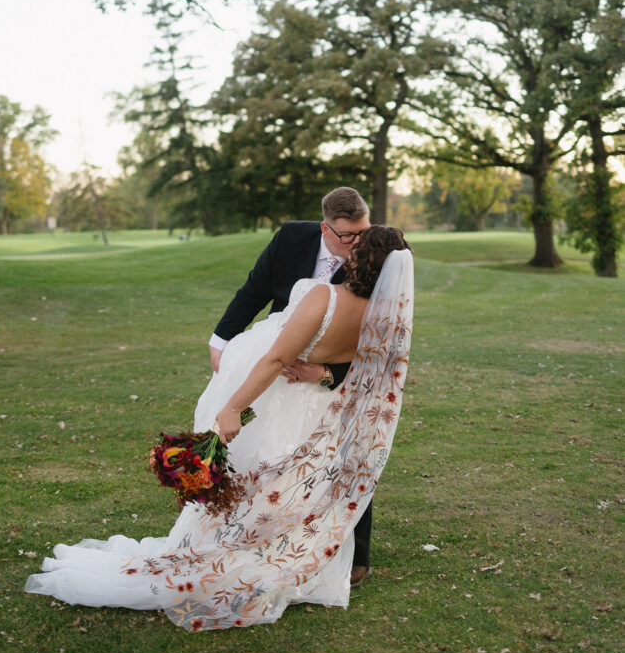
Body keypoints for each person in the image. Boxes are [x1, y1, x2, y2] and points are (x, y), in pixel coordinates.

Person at [25, 226, 414, 631]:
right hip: (315, 409)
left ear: (358, 258)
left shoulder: (325, 296)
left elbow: (274, 360)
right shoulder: (384, 317)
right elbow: (369, 372)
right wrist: (323, 373)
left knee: (251, 475)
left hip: (271, 398)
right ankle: (267, 553)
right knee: (280, 483)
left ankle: (228, 555)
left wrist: (232, 408)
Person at [208, 186, 375, 586]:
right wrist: (221, 341)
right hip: (275, 366)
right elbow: (255, 291)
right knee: (269, 450)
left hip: (325, 370)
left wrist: (327, 375)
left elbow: (373, 343)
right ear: (324, 228)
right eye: (346, 236)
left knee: (340, 455)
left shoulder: (375, 258)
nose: (356, 243)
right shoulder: (291, 237)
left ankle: (356, 554)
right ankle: (257, 536)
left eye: (362, 232)